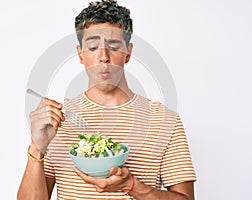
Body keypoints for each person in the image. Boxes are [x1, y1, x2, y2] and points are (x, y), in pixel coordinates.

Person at [17, 0, 196, 199]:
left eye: (113, 46)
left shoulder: (165, 120)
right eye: (93, 47)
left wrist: (132, 185)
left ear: (128, 52)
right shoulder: (58, 121)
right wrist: (37, 147)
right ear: (80, 54)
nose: (103, 56)